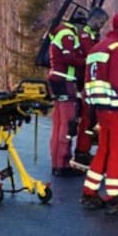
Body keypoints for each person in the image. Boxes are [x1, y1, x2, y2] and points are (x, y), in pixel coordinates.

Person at [80, 12, 118, 215]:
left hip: (100, 108)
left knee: (103, 151)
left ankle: (89, 191)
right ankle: (113, 197)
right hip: (117, 109)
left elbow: (88, 79)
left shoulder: (97, 48)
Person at [47, 10, 86, 176]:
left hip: (56, 79)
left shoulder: (60, 32)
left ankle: (56, 163)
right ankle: (63, 164)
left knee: (58, 123)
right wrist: (86, 61)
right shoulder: (68, 35)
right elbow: (68, 58)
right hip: (64, 80)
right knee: (68, 123)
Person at [73, 7, 109, 165]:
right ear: (94, 19)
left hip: (91, 82)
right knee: (87, 118)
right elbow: (92, 56)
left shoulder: (94, 35)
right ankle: (81, 151)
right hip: (85, 82)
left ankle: (84, 149)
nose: (102, 25)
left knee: (91, 119)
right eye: (101, 22)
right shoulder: (85, 35)